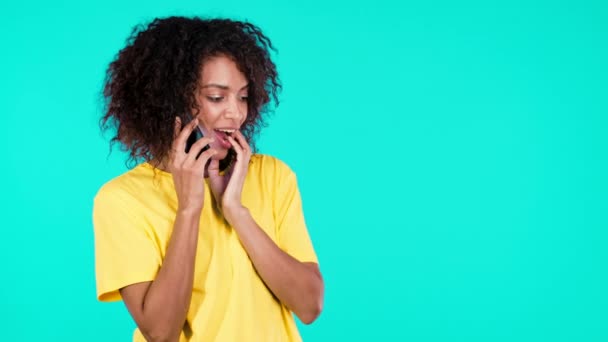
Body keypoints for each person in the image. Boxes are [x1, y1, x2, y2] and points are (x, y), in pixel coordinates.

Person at [93, 16, 324, 342]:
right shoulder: (123, 199)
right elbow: (161, 333)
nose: (236, 113)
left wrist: (236, 212)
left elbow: (309, 305)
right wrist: (189, 209)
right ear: (169, 100)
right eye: (217, 97)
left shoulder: (272, 176)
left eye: (243, 96)